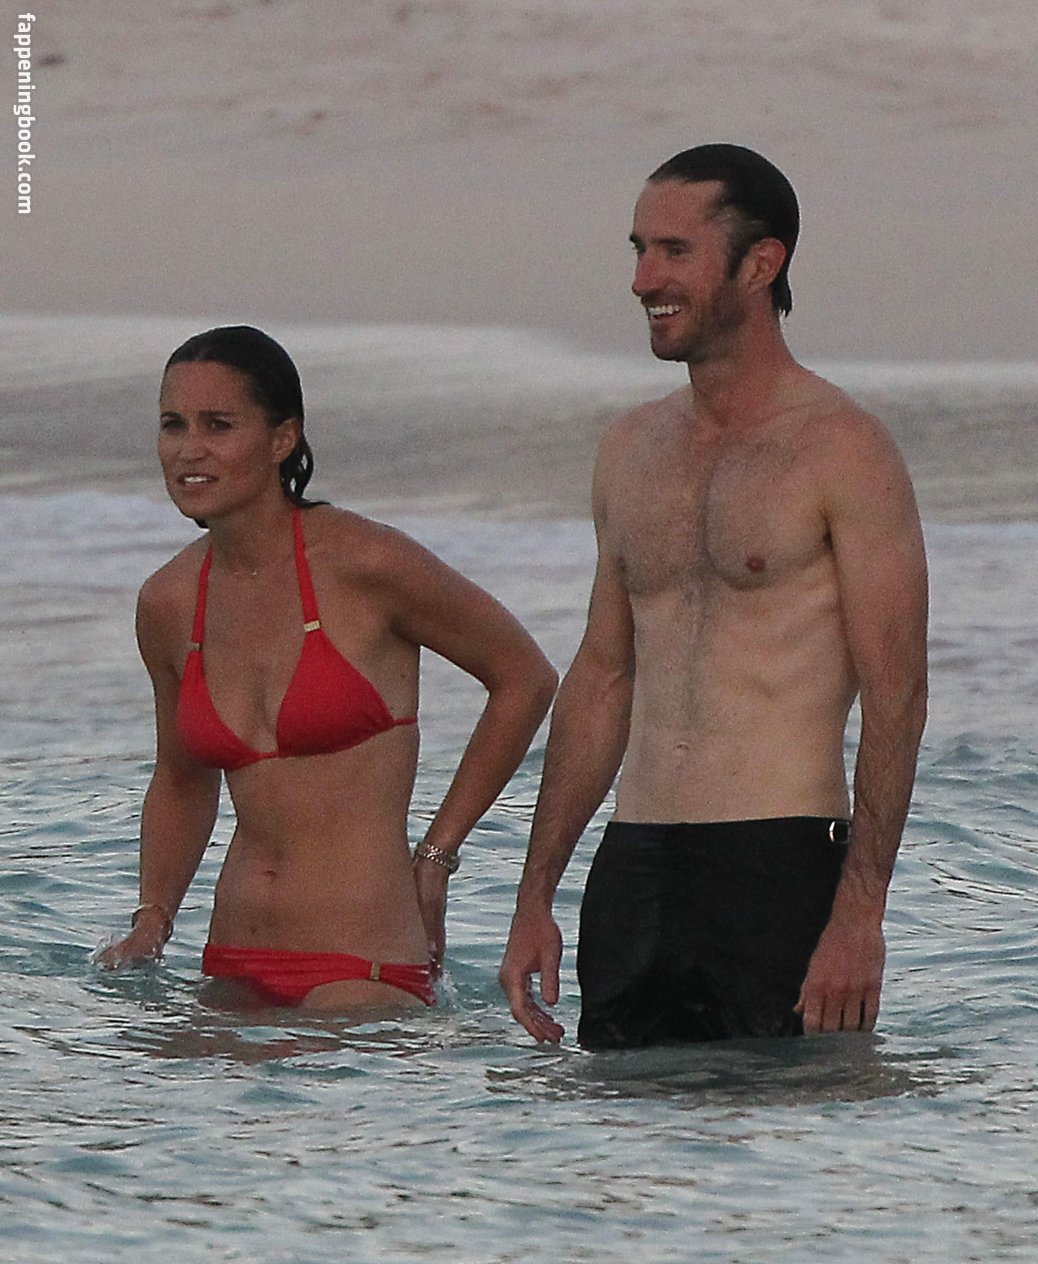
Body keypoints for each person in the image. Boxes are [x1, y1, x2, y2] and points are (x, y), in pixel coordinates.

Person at [499, 143, 928, 1048]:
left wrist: (860, 915)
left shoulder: (845, 450)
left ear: (760, 263)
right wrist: (536, 896)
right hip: (635, 864)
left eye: (674, 251)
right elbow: (602, 677)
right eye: (638, 250)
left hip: (778, 861)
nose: (643, 280)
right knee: (617, 1126)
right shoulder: (629, 449)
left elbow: (897, 691)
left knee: (783, 1120)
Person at [98, 325, 557, 1013]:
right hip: (233, 960)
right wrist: (153, 917)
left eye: (218, 425)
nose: (189, 449)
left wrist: (437, 855)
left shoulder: (365, 563)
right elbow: (181, 777)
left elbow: (523, 677)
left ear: (282, 439)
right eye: (173, 424)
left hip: (364, 960)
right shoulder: (168, 602)